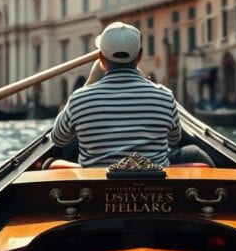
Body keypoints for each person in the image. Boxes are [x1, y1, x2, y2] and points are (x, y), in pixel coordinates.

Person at [50, 22, 213, 167]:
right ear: (140, 56)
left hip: (96, 190)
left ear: (100, 57)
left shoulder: (79, 99)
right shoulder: (165, 97)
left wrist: (91, 80)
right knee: (193, 152)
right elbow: (174, 140)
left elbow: (58, 139)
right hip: (157, 191)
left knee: (49, 163)